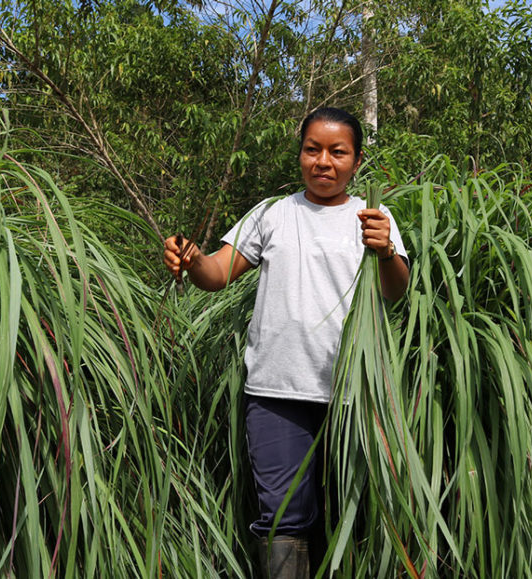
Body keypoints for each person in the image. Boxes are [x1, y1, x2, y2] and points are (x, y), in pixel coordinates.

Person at [163, 107, 409, 578]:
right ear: (299, 155)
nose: (323, 161)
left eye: (338, 152)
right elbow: (217, 273)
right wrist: (192, 259)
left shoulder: (374, 218)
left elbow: (396, 291)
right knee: (283, 519)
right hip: (276, 393)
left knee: (349, 514)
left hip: (351, 395)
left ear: (356, 162)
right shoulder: (272, 215)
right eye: (312, 149)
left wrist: (385, 252)